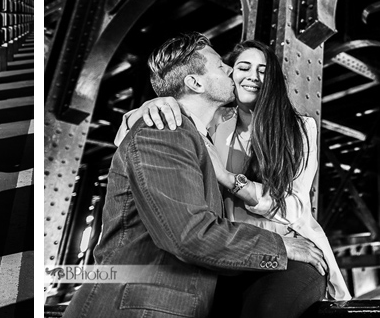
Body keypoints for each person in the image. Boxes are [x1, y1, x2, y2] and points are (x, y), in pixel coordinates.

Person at [64, 33, 327, 318]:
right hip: (147, 302)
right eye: (225, 66)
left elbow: (296, 205)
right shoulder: (168, 128)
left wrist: (229, 179)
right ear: (195, 82)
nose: (230, 70)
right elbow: (190, 235)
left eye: (263, 70)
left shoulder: (197, 131)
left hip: (213, 275)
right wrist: (152, 105)